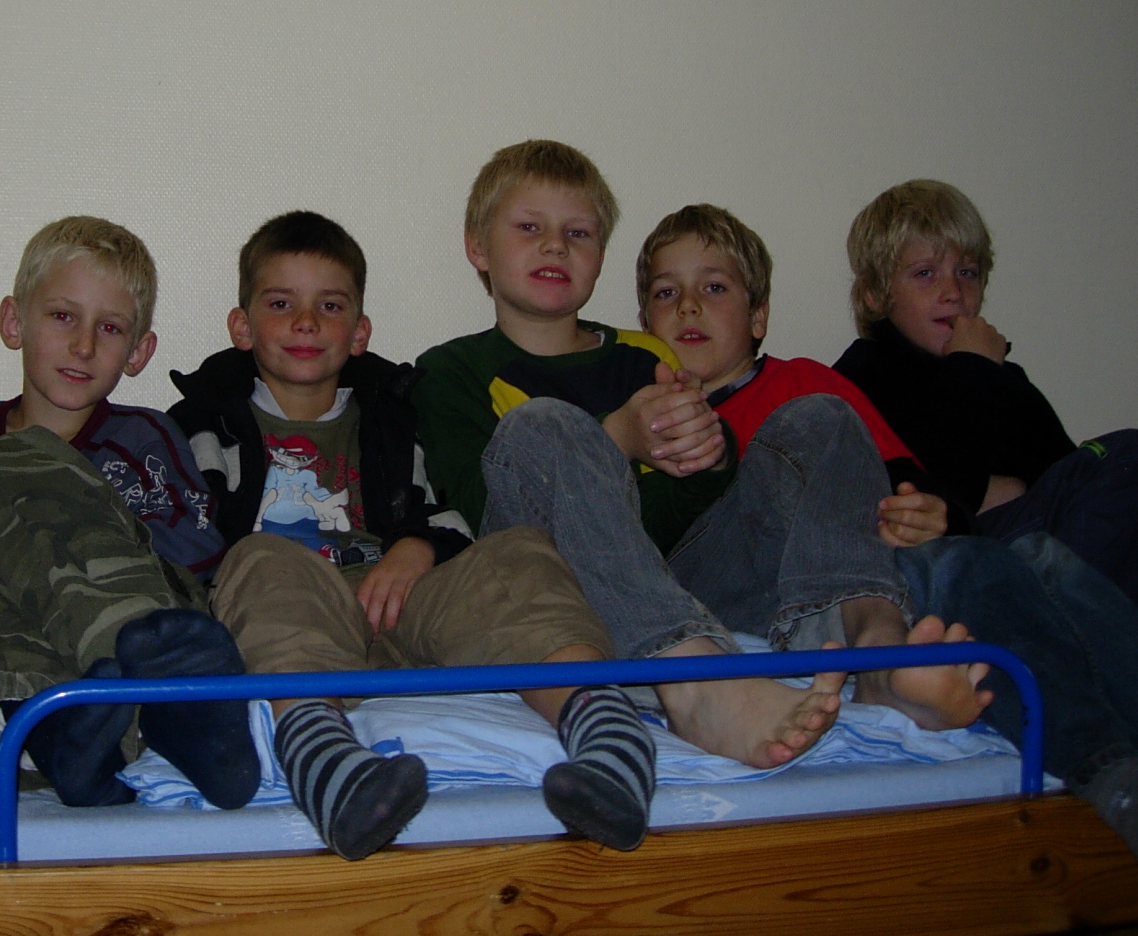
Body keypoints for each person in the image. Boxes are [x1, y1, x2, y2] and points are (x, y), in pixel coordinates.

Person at [413, 141, 990, 773]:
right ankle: (695, 685)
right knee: (542, 424)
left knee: (821, 413)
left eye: (577, 232)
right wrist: (617, 439)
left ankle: (877, 646)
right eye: (530, 228)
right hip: (561, 598)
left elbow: (685, 519)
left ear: (601, 255)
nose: (555, 246)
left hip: (683, 582)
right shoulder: (449, 370)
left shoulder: (646, 354)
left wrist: (709, 458)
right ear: (478, 247)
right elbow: (487, 518)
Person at [636, 200, 1138, 856]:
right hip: (723, 592)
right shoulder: (638, 414)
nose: (689, 307)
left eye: (714, 288)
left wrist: (925, 513)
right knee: (819, 421)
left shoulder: (806, 382)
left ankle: (1115, 775)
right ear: (644, 322)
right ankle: (882, 655)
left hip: (846, 583)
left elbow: (900, 484)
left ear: (759, 317)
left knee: (992, 558)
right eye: (666, 293)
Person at [168, 211, 656, 861]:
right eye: (281, 304)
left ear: (359, 332)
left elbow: (444, 515)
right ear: (241, 326)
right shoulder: (203, 424)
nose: (306, 322)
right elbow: (187, 543)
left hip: (398, 601)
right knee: (259, 557)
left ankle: (609, 742)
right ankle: (329, 765)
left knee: (519, 551)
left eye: (330, 305)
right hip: (292, 612)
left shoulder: (391, 415)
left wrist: (417, 547)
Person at [0, 217, 259, 811]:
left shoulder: (145, 436)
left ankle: (179, 718)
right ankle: (56, 735)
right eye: (61, 316)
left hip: (127, 622)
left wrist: (73, 519)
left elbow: (197, 550)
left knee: (25, 467)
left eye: (110, 328)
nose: (84, 346)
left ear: (139, 351)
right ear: (13, 321)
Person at [835, 179, 1138, 603]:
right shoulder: (863, 375)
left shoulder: (1002, 377)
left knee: (1122, 464)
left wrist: (1011, 487)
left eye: (967, 273)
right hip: (957, 560)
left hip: (1037, 547)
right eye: (925, 274)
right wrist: (972, 368)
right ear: (874, 295)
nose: (953, 293)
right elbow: (943, 494)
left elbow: (1068, 480)